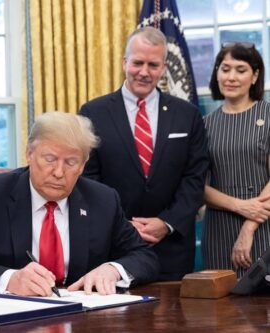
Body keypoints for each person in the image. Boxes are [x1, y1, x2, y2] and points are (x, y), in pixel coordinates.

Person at [0, 111, 159, 296]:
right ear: (29, 154)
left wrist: (113, 270)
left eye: (71, 162)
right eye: (50, 159)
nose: (59, 172)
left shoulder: (103, 200)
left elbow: (144, 257)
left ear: (83, 166)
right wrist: (10, 279)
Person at [79, 27, 208, 281]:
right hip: (112, 247)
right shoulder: (93, 112)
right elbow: (87, 179)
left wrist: (166, 223)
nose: (144, 72)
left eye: (153, 65)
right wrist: (123, 225)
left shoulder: (188, 114)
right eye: (138, 63)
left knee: (174, 320)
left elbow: (195, 177)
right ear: (125, 62)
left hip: (172, 248)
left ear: (163, 68)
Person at [203, 42, 270, 277]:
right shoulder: (204, 125)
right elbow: (197, 186)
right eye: (225, 68)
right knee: (221, 307)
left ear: (255, 76)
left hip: (264, 225)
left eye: (240, 70)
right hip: (219, 228)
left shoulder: (268, 115)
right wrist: (240, 206)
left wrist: (249, 226)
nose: (231, 77)